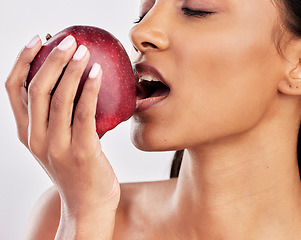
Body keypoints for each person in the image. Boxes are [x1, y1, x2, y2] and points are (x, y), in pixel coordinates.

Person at [5, 0, 301, 239]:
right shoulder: (65, 215)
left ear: (297, 64)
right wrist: (85, 217)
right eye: (143, 14)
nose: (138, 33)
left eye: (197, 10)